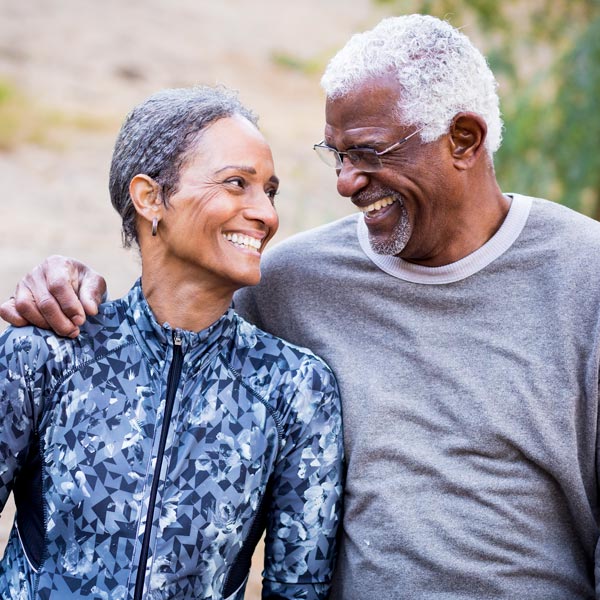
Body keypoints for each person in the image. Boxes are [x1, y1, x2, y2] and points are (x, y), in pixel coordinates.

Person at [3, 13, 600, 600]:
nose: (343, 183)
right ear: (149, 196)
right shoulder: (289, 280)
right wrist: (62, 278)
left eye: (367, 152)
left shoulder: (585, 275)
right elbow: (173, 315)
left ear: (463, 140)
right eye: (336, 155)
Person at [0, 86, 344, 600]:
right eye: (236, 183)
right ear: (150, 198)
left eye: (269, 191)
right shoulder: (47, 352)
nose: (266, 215)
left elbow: (299, 589)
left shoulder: (296, 389)